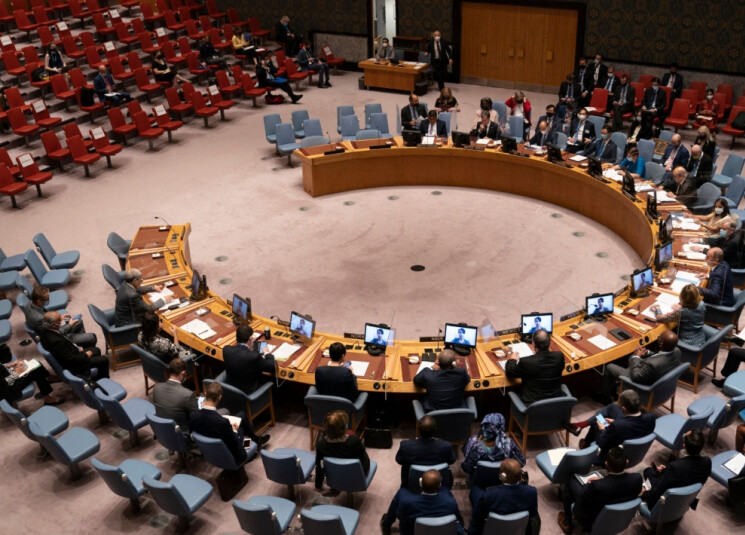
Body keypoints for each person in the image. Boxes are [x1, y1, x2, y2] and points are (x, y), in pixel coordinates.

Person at [558, 447, 642, 534]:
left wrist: (590, 484)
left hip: (592, 519)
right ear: (627, 462)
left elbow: (582, 496)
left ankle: (566, 522)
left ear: (606, 464)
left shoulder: (597, 486)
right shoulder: (637, 479)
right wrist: (602, 481)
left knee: (571, 480)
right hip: (620, 519)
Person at [594, 329, 680, 403]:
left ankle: (605, 397)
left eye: (659, 337)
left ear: (661, 344)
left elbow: (636, 376)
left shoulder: (653, 364)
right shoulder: (676, 351)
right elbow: (661, 355)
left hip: (641, 379)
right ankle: (616, 385)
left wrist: (637, 357)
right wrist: (647, 353)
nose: (658, 337)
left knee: (609, 367)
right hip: (653, 372)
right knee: (630, 356)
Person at [189, 382, 262, 465]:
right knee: (240, 424)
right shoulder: (222, 422)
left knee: (241, 415)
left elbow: (194, 432)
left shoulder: (193, 415)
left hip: (210, 453)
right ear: (219, 397)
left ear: (205, 393)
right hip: (231, 454)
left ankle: (257, 439)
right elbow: (234, 442)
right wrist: (234, 430)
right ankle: (257, 441)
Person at [574, 390, 656, 463]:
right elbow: (632, 426)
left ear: (624, 409)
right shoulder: (651, 417)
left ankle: (586, 444)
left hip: (614, 456)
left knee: (597, 423)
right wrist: (616, 422)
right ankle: (585, 433)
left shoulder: (617, 425)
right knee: (612, 407)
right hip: (635, 450)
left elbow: (602, 443)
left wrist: (602, 429)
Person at [380, 469, 465, 535]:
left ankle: (386, 524)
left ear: (420, 484)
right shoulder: (451, 503)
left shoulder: (407, 502)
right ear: (439, 486)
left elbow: (400, 516)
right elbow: (460, 521)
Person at [468, 459, 540, 535]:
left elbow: (478, 519)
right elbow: (533, 514)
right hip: (520, 530)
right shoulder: (532, 492)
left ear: (502, 476)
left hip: (494, 531)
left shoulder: (489, 495)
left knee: (475, 491)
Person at [641, 429, 711, 507]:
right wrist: (665, 471)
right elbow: (689, 475)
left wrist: (641, 493)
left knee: (648, 471)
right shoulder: (707, 462)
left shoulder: (675, 467)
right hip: (684, 501)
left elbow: (655, 494)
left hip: (665, 502)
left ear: (684, 445)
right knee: (652, 472)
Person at [39, 311, 109, 379]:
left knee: (96, 350)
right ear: (53, 325)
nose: (62, 321)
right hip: (74, 365)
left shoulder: (46, 330)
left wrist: (76, 347)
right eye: (59, 320)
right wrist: (86, 355)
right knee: (103, 360)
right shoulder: (56, 341)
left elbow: (64, 344)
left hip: (71, 352)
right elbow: (71, 360)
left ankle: (96, 374)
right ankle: (101, 380)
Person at [23, 285, 96, 348]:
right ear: (39, 301)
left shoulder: (30, 303)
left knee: (79, 321)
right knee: (92, 337)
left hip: (52, 327)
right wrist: (69, 325)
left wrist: (59, 318)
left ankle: (81, 345)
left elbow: (49, 320)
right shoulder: (39, 318)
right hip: (59, 338)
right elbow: (56, 333)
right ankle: (77, 346)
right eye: (47, 299)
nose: (48, 300)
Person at [504, 329, 564, 404]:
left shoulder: (527, 362)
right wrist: (536, 356)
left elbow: (510, 372)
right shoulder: (559, 356)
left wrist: (512, 359)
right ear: (549, 342)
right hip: (556, 402)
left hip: (533, 405)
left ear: (533, 343)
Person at [314, 410, 370, 492]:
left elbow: (319, 467)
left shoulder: (320, 445)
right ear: (344, 428)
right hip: (354, 477)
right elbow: (362, 461)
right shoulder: (354, 440)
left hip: (334, 477)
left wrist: (318, 485)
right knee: (364, 453)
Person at [395, 415, 455, 487]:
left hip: (411, 483)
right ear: (435, 429)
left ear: (418, 429)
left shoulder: (406, 446)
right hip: (438, 482)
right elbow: (452, 460)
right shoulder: (446, 446)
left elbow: (399, 460)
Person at [461, 413, 525, 474]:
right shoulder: (510, 444)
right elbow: (522, 463)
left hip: (479, 479)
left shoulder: (474, 443)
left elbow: (467, 468)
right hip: (502, 479)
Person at [222, 325, 276, 395]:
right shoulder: (253, 356)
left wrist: (249, 347)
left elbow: (240, 354)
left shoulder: (226, 350)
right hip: (247, 393)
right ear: (250, 338)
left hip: (230, 390)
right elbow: (272, 367)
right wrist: (266, 352)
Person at [152, 358, 197, 434]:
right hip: (181, 434)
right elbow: (196, 418)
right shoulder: (188, 394)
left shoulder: (156, 387)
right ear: (183, 373)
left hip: (162, 431)